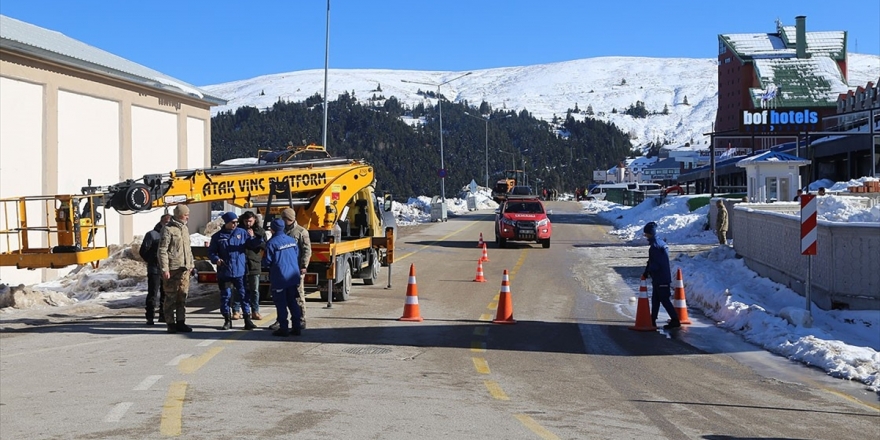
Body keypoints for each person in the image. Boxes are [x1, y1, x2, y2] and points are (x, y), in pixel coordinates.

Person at [209, 211, 258, 331]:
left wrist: (254, 237)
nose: (235, 224)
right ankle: (227, 320)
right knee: (226, 296)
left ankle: (247, 319)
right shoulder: (217, 237)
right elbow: (211, 252)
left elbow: (253, 245)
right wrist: (216, 259)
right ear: (226, 223)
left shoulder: (242, 233)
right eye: (233, 222)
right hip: (224, 271)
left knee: (243, 295)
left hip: (239, 271)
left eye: (236, 222)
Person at [159, 205, 196, 334]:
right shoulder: (168, 229)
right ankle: (170, 323)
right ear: (180, 214)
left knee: (182, 297)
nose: (188, 216)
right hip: (173, 268)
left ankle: (181, 322)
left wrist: (191, 264)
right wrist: (165, 268)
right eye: (186, 214)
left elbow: (188, 249)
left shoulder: (185, 228)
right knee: (170, 297)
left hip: (185, 269)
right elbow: (162, 250)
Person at [263, 218, 302, 337]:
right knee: (293, 302)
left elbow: (267, 262)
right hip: (293, 277)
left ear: (272, 229)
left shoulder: (271, 243)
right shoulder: (291, 240)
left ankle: (283, 328)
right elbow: (297, 255)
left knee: (281, 303)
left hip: (280, 278)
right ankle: (297, 327)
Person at [642, 222, 680, 330]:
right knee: (656, 299)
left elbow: (656, 264)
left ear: (650, 233)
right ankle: (652, 319)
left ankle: (675, 320)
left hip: (661, 277)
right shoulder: (660, 243)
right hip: (660, 277)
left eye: (646, 233)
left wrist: (648, 271)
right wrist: (647, 270)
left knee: (664, 299)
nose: (645, 235)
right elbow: (652, 261)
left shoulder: (655, 246)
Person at [139, 213, 171, 325]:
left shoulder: (170, 234)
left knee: (165, 293)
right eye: (167, 222)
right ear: (162, 222)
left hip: (166, 269)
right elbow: (143, 251)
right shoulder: (152, 235)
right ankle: (150, 316)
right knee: (153, 293)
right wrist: (152, 261)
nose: (168, 225)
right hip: (155, 269)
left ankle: (163, 315)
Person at [234, 211, 266, 320]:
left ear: (255, 220)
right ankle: (236, 310)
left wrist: (254, 238)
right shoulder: (237, 231)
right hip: (240, 263)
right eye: (246, 221)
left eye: (250, 221)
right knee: (239, 288)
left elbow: (264, 245)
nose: (248, 223)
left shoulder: (260, 231)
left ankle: (255, 311)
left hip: (254, 263)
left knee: (255, 289)